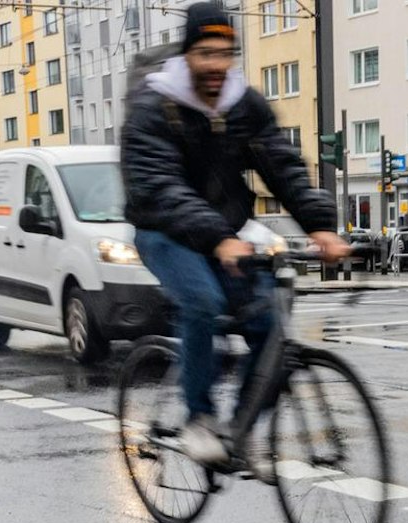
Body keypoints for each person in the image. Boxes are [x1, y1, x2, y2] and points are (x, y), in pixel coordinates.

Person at [121, 2, 348, 467]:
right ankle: (199, 419)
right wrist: (217, 237)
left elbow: (283, 168)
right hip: (163, 231)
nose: (217, 65)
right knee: (202, 303)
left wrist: (322, 227)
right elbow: (161, 186)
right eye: (206, 53)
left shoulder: (244, 106)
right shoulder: (152, 108)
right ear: (187, 55)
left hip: (225, 234)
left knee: (268, 324)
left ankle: (240, 430)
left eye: (226, 53)